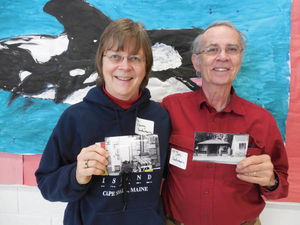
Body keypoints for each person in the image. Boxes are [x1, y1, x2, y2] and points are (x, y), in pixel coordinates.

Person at [35, 18, 170, 225]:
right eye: (116, 56)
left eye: (135, 58)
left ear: (146, 67)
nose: (125, 67)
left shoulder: (160, 118)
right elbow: (47, 185)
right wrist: (77, 174)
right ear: (101, 62)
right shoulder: (75, 118)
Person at [161, 21, 289, 225]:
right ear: (196, 62)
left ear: (240, 58)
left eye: (232, 49)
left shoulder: (262, 120)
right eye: (212, 49)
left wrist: (272, 181)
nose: (223, 57)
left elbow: (280, 187)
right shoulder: (170, 109)